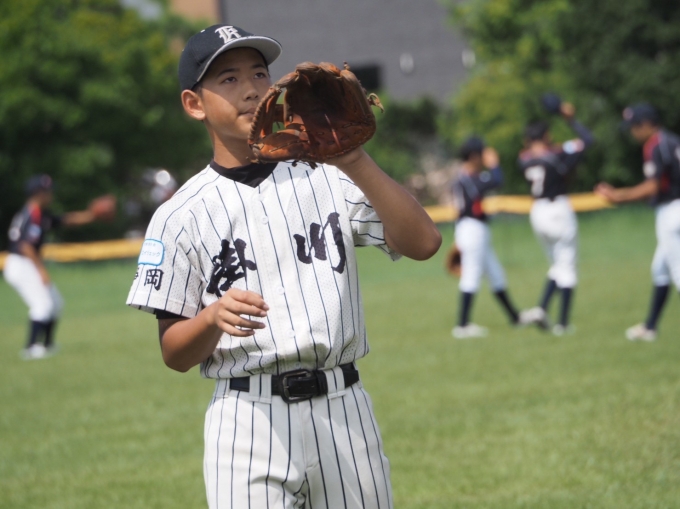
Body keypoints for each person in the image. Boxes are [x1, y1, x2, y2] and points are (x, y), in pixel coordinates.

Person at [125, 25, 441, 508]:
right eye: (228, 79)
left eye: (259, 73)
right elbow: (174, 353)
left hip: (343, 405)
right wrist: (210, 318)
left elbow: (424, 243)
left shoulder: (328, 175)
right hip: (247, 417)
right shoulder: (180, 215)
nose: (251, 88)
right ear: (194, 104)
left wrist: (354, 159)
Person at [595, 103, 680, 341]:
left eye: (634, 126)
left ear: (646, 124)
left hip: (671, 212)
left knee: (677, 272)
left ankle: (650, 327)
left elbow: (652, 187)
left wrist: (618, 196)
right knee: (660, 269)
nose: (632, 132)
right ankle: (650, 327)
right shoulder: (673, 141)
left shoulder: (655, 145)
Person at [517, 102, 594, 335]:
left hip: (537, 212)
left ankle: (541, 309)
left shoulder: (524, 158)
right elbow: (588, 140)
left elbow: (532, 151)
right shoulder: (557, 154)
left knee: (557, 265)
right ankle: (562, 324)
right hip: (558, 209)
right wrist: (570, 120)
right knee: (567, 266)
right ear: (546, 136)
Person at [4, 175, 101, 359]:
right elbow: (25, 246)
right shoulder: (32, 214)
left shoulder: (40, 213)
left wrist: (90, 215)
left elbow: (67, 220)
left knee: (56, 303)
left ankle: (47, 345)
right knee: (42, 305)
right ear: (38, 193)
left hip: (26, 263)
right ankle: (31, 348)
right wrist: (41, 270)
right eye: (48, 191)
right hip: (21, 263)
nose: (51, 194)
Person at [450, 136, 521, 339]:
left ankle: (515, 317)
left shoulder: (464, 177)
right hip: (472, 229)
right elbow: (497, 181)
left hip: (474, 229)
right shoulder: (467, 178)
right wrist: (495, 164)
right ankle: (462, 325)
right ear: (473, 156)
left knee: (496, 274)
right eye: (481, 154)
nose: (483, 158)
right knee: (471, 275)